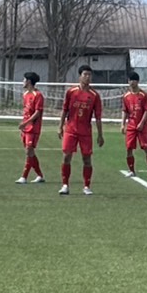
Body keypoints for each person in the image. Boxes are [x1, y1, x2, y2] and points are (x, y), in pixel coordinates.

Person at [58, 64, 104, 195]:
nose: (87, 77)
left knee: (87, 159)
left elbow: (98, 117)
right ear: (80, 76)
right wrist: (60, 126)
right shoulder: (71, 92)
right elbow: (65, 110)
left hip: (85, 132)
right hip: (70, 130)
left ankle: (86, 186)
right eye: (85, 74)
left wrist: (100, 135)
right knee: (66, 157)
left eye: (89, 75)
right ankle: (65, 185)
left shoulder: (94, 95)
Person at [121, 71, 147, 178]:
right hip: (131, 126)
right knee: (129, 148)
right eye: (130, 80)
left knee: (146, 147)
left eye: (134, 80)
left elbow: (146, 110)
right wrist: (122, 124)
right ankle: (131, 170)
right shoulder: (126, 96)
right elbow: (125, 111)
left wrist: (141, 123)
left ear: (138, 81)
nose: (132, 82)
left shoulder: (144, 95)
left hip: (142, 126)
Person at [16, 72, 45, 183]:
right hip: (25, 128)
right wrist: (23, 124)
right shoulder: (25, 95)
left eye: (24, 80)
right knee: (30, 152)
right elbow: (26, 111)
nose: (22, 82)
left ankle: (24, 177)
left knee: (29, 150)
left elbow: (37, 113)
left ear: (28, 81)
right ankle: (40, 175)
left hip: (33, 128)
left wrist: (26, 123)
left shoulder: (38, 95)